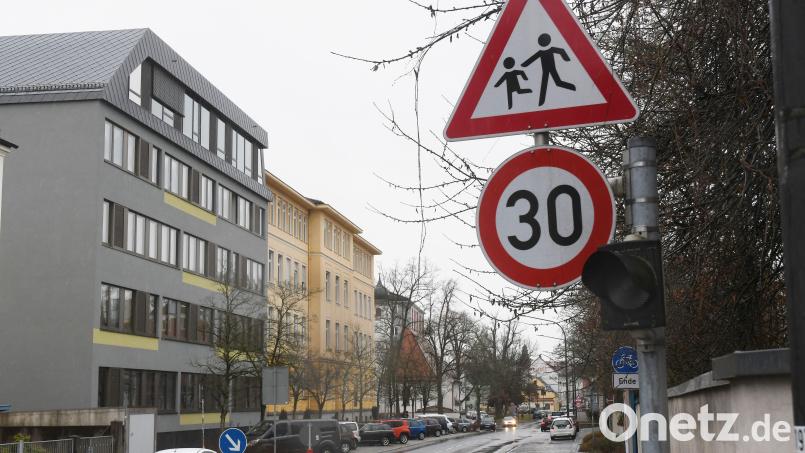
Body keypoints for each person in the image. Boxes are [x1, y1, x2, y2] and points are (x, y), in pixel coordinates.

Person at [521, 33, 576, 106]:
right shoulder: (542, 52)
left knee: (555, 83)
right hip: (546, 70)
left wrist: (566, 59)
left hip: (552, 68)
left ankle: (572, 87)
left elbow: (561, 51)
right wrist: (524, 65)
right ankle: (541, 101)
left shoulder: (549, 50)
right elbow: (531, 59)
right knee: (548, 83)